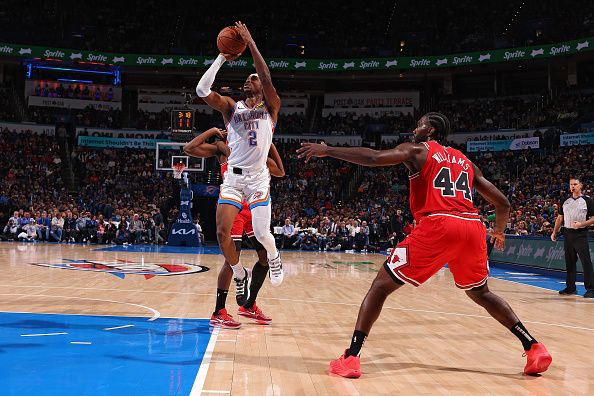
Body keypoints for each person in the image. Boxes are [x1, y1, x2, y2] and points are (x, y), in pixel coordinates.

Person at [297, 112, 552, 377]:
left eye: (419, 125)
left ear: (430, 131)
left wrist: (328, 150)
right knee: (481, 293)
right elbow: (503, 204)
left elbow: (374, 158)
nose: (414, 128)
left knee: (380, 286)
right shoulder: (466, 162)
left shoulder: (418, 150)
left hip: (440, 224)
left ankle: (351, 357)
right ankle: (533, 346)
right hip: (472, 227)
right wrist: (498, 232)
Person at [195, 21, 284, 300]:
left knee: (262, 233)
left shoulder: (271, 107)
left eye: (252, 78)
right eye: (247, 79)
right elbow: (201, 90)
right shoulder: (232, 107)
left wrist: (251, 42)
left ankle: (274, 256)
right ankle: (239, 273)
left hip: (258, 177)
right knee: (222, 233)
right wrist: (222, 57)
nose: (249, 80)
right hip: (233, 178)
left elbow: (267, 79)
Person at [184, 126, 285, 328]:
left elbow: (280, 172)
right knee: (231, 259)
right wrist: (211, 131)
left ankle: (248, 305)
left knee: (265, 257)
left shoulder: (257, 150)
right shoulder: (223, 148)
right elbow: (189, 148)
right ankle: (219, 311)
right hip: (234, 206)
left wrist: (268, 141)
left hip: (256, 206)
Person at [551, 176, 594, 298]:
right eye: (571, 184)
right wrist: (554, 232)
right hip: (567, 233)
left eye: (575, 184)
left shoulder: (588, 200)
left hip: (580, 234)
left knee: (586, 261)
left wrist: (582, 224)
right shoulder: (565, 200)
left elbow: (593, 218)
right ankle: (571, 288)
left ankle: (591, 288)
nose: (573, 186)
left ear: (581, 186)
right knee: (569, 262)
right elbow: (560, 217)